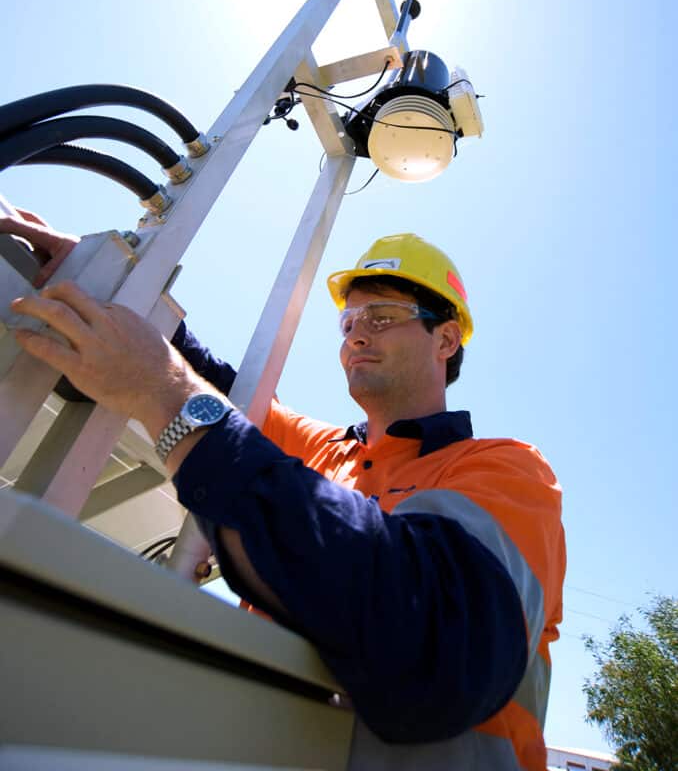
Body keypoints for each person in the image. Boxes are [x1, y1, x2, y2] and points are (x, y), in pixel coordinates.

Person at [3, 210, 565, 771]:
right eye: (349, 323)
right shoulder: (322, 449)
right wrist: (119, 283)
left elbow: (434, 645)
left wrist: (162, 393)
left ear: (446, 338)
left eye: (384, 315)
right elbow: (226, 394)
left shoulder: (508, 472)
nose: (357, 334)